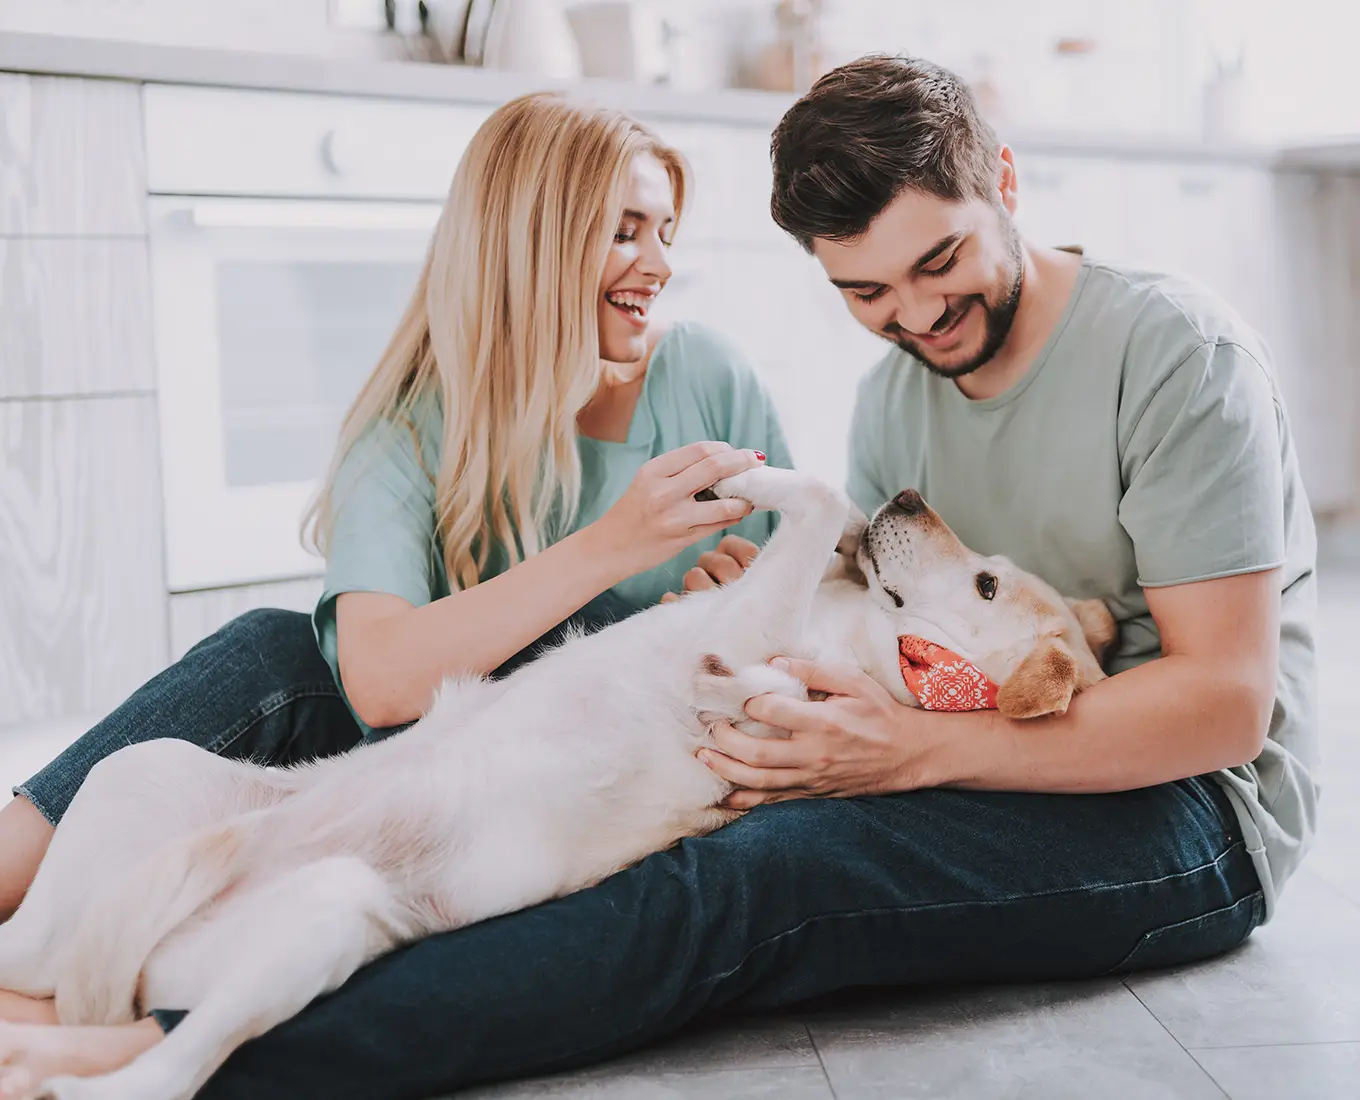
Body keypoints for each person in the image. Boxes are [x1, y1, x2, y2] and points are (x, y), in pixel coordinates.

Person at [0, 57, 1316, 1100]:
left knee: (756, 874)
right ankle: (66, 939)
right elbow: (868, 628)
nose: (917, 317)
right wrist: (802, 684)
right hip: (642, 741)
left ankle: (180, 1051)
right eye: (868, 290)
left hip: (1179, 809)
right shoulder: (892, 406)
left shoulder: (1168, 353)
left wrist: (891, 751)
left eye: (940, 264)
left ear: (1009, 185)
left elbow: (1223, 711)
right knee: (278, 659)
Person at [0, 92, 788, 1093]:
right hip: (431, 768)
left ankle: (106, 1013)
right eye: (625, 230)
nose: (660, 263)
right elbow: (378, 683)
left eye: (666, 232)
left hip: (584, 808)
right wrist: (610, 545)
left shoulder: (708, 377)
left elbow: (795, 596)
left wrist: (742, 593)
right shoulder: (413, 426)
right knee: (280, 650)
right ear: (530, 243)